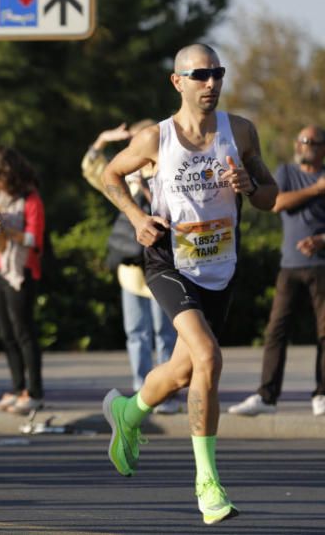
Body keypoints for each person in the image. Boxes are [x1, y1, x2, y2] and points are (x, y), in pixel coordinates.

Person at [100, 43, 278, 525]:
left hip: (220, 265)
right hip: (168, 261)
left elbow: (270, 197)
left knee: (181, 373)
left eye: (217, 73)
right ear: (177, 82)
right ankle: (208, 484)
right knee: (207, 357)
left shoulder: (239, 131)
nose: (211, 82)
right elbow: (108, 173)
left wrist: (249, 186)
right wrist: (137, 216)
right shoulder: (155, 138)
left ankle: (128, 414)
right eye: (200, 74)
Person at [229, 125, 325, 417]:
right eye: (300, 140)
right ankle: (266, 397)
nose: (303, 145)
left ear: (323, 147)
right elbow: (276, 203)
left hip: (322, 266)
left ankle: (322, 396)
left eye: (310, 141)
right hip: (290, 265)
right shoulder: (285, 173)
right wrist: (317, 189)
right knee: (276, 331)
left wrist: (321, 239)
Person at [83, 122, 179, 408]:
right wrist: (103, 137)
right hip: (132, 273)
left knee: (165, 334)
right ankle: (142, 391)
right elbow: (91, 167)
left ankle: (166, 394)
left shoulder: (170, 172)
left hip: (163, 269)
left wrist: (146, 191)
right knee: (136, 333)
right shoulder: (125, 177)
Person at [0, 145, 46, 415]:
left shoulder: (30, 199)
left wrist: (6, 227)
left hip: (21, 270)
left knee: (23, 332)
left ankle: (34, 391)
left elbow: (34, 240)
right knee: (6, 333)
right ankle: (17, 387)